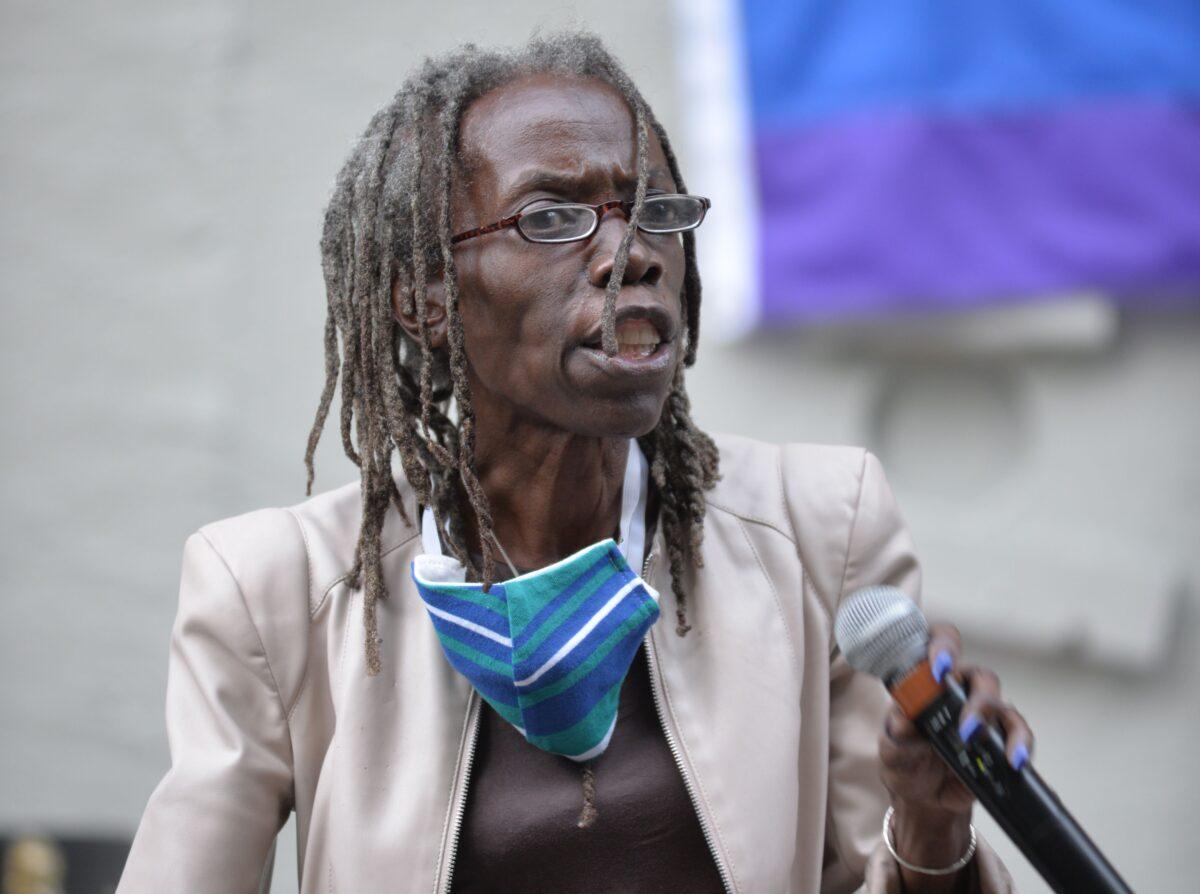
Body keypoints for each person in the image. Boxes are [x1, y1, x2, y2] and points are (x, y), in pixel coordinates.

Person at [118, 33, 1031, 893]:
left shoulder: (819, 530)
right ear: (426, 299)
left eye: (654, 211)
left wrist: (932, 831)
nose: (630, 255)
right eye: (552, 217)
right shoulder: (277, 593)